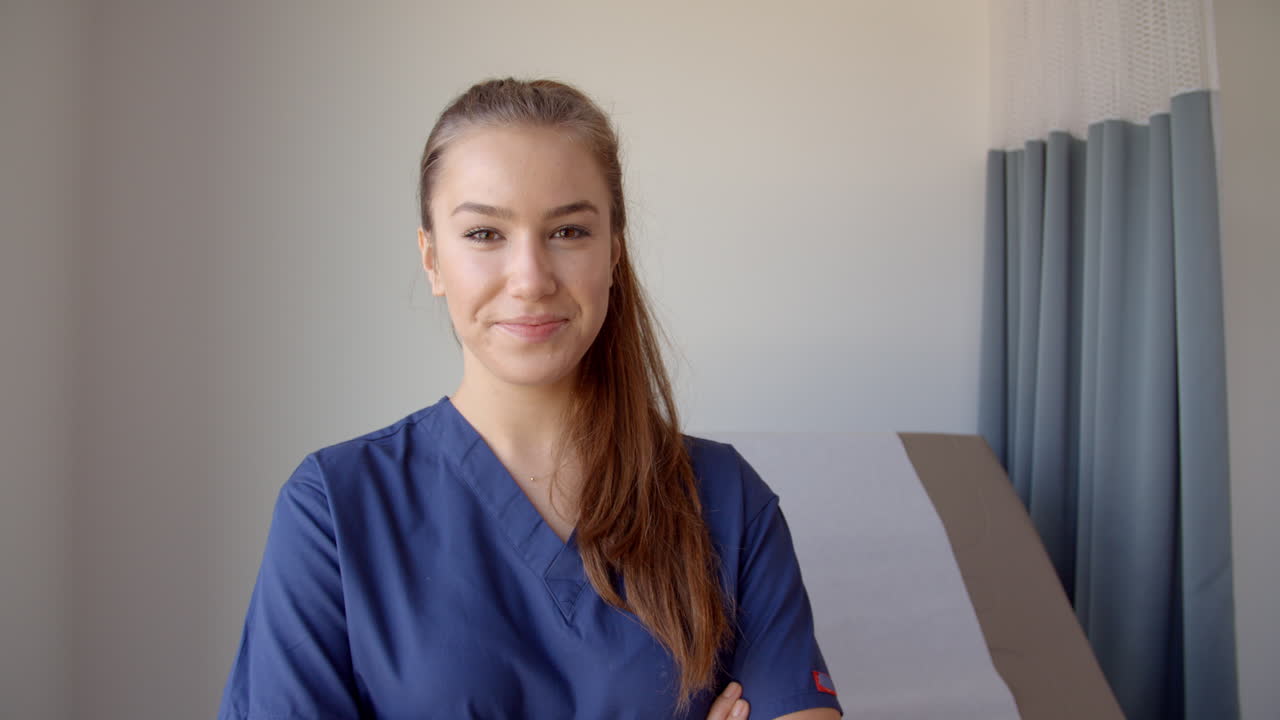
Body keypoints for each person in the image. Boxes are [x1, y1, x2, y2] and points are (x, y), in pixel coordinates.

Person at [217, 77, 842, 720]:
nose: (531, 280)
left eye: (568, 232)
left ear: (615, 253)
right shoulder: (334, 509)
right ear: (431, 258)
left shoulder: (726, 500)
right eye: (485, 234)